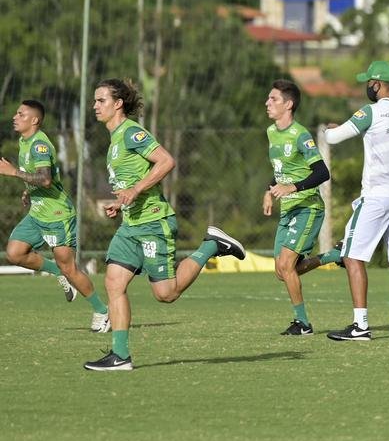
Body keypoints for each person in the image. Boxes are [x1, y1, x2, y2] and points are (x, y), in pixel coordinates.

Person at [83, 79, 245, 371]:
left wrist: (135, 190)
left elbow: (166, 161)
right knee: (113, 283)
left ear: (118, 104)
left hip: (154, 223)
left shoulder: (131, 132)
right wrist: (121, 202)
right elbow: (131, 182)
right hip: (131, 225)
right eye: (95, 100)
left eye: (101, 100)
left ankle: (211, 245)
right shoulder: (115, 140)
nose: (95, 106)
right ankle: (120, 355)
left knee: (166, 294)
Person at [324, 61, 389, 341]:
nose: (367, 87)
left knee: (352, 256)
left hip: (376, 196)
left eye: (368, 83)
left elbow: (333, 138)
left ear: (377, 84)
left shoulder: (370, 112)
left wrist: (328, 130)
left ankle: (360, 326)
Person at [0, 99, 110, 332]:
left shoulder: (39, 145)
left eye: (21, 114)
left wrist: (14, 172)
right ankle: (58, 272)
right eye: (16, 113)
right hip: (37, 213)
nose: (15, 117)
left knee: (71, 269)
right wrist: (28, 190)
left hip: (57, 216)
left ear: (34, 120)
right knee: (15, 253)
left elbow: (46, 179)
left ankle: (102, 311)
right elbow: (37, 176)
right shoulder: (24, 140)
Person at [263, 80, 331, 336]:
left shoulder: (301, 135)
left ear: (288, 104)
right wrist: (269, 190)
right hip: (288, 209)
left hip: (308, 207)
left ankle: (303, 324)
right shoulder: (271, 132)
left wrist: (293, 187)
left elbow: (322, 172)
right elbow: (282, 168)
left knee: (287, 265)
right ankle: (332, 257)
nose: (267, 103)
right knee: (282, 272)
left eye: (273, 99)